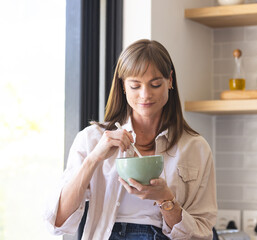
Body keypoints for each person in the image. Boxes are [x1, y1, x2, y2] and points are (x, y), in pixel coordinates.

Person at [43, 39, 217, 240]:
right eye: (135, 85)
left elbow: (202, 234)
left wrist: (166, 200)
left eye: (155, 84)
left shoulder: (196, 148)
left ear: (170, 81)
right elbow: (57, 222)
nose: (145, 95)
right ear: (123, 86)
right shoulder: (92, 139)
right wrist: (93, 159)